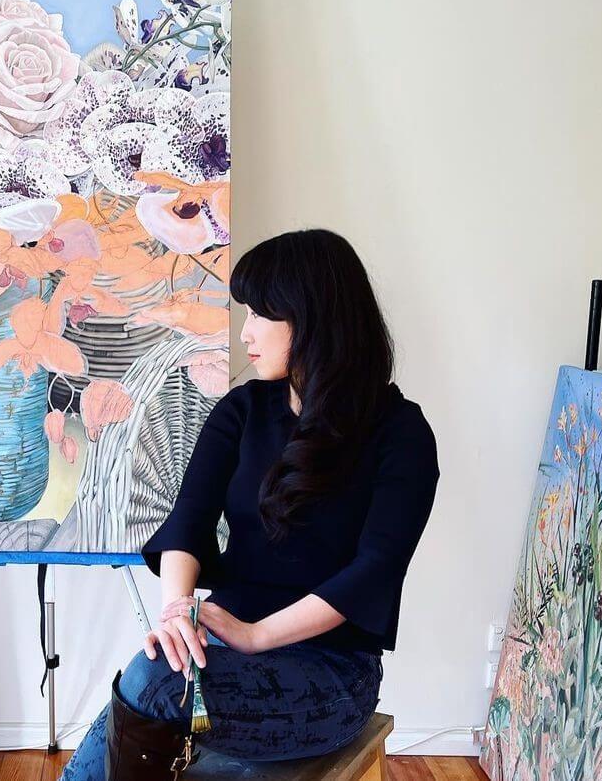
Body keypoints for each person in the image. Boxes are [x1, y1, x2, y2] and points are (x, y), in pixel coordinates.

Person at [59, 229, 440, 779]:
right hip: (225, 646)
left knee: (157, 681)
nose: (246, 333)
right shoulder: (243, 410)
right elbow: (186, 525)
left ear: (311, 320)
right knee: (157, 667)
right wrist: (178, 612)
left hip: (329, 672)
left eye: (261, 314)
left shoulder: (400, 433)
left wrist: (257, 635)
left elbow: (373, 572)